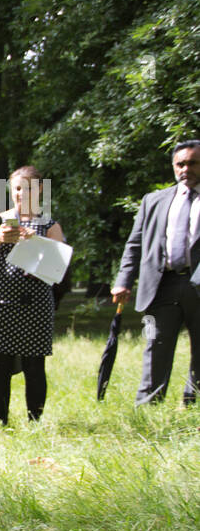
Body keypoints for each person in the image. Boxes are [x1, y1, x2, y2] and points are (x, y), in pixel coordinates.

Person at [0, 165, 66, 425]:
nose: (22, 194)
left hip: (37, 306)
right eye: (18, 188)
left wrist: (37, 242)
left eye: (29, 188)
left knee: (35, 368)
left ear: (41, 189)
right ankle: (2, 423)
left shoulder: (49, 224)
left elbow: (59, 269)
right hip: (1, 305)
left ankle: (34, 423)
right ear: (11, 191)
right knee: (0, 367)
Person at [111, 140, 200, 405]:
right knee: (155, 345)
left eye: (193, 163)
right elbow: (134, 243)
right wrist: (123, 281)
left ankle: (193, 404)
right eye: (180, 164)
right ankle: (149, 406)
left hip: (197, 284)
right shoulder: (154, 201)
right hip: (162, 285)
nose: (186, 169)